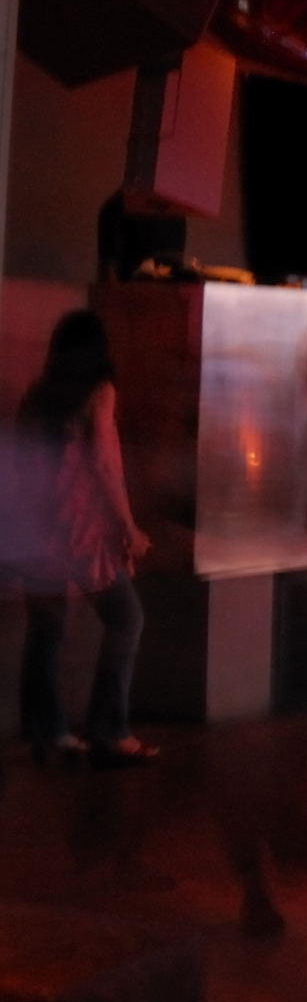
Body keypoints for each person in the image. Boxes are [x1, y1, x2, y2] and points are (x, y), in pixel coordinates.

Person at [13, 310, 158, 767]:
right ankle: (109, 729)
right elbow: (105, 467)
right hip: (82, 529)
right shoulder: (98, 393)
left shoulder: (37, 395)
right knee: (126, 618)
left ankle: (50, 733)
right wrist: (129, 529)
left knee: (46, 632)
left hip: (38, 529)